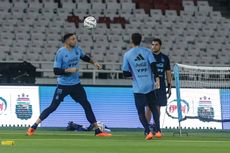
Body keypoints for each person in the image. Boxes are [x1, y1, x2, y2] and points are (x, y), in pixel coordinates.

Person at [27, 33, 112, 137]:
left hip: (76, 85)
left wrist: (94, 63)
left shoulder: (77, 49)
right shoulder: (61, 53)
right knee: (53, 107)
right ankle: (33, 127)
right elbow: (56, 71)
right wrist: (67, 70)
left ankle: (98, 131)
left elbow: (84, 57)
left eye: (75, 39)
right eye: (73, 39)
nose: (75, 40)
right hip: (63, 85)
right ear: (67, 41)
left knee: (86, 105)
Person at [122, 33, 160, 140]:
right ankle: (158, 131)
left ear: (132, 41)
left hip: (138, 88)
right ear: (141, 40)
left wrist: (133, 74)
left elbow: (125, 73)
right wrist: (157, 79)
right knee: (153, 108)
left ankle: (148, 132)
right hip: (150, 86)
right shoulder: (147, 51)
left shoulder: (127, 55)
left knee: (140, 112)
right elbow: (153, 66)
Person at [145, 38, 172, 134]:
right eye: (152, 44)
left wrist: (169, 85)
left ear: (160, 46)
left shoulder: (165, 58)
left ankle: (156, 127)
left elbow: (168, 72)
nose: (154, 46)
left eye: (156, 44)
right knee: (148, 107)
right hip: (149, 84)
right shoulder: (148, 56)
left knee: (158, 107)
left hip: (160, 84)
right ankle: (147, 128)